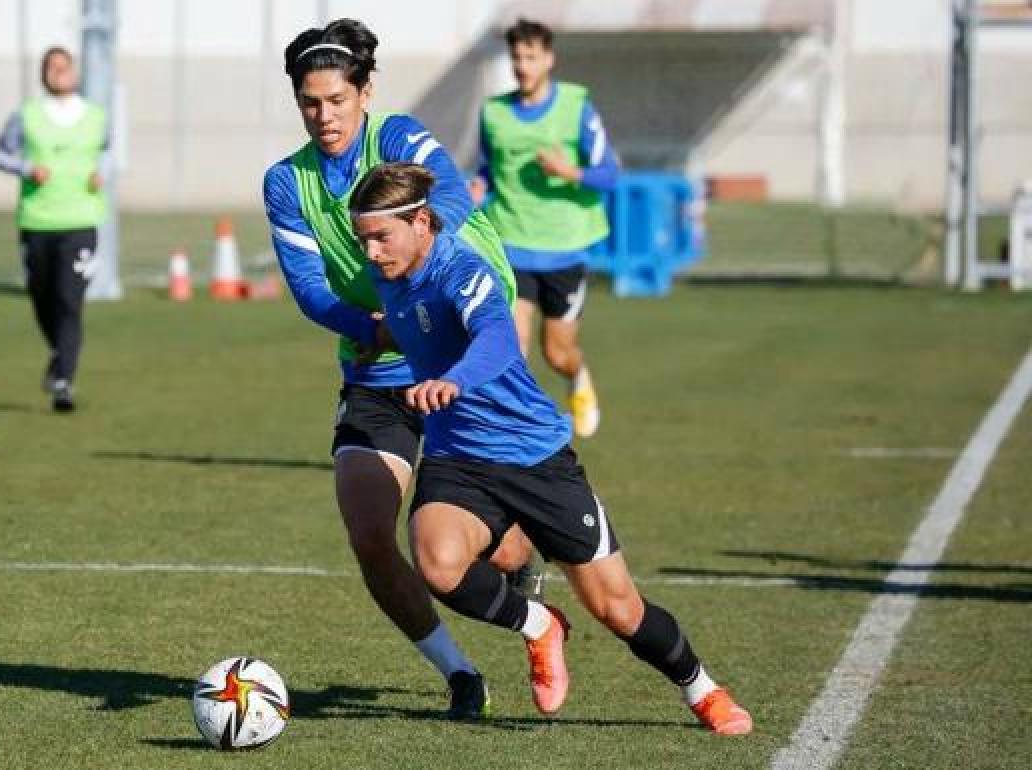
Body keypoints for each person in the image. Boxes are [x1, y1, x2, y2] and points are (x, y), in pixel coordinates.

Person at [350, 162, 752, 734]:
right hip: (457, 456)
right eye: (361, 237)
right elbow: (413, 322)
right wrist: (377, 337)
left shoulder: (462, 269)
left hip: (533, 455)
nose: (369, 251)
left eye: (379, 236)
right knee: (437, 562)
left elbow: (494, 335)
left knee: (618, 609)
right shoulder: (391, 275)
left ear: (421, 221)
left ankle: (702, 689)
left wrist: (456, 380)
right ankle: (539, 624)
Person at [261, 18, 537, 720]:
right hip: (377, 372)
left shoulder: (399, 138)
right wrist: (372, 326)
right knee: (366, 527)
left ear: (364, 91)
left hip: (454, 360)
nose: (324, 116)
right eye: (309, 103)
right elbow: (310, 289)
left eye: (336, 100)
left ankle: (524, 558)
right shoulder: (286, 182)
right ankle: (459, 674)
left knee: (493, 555)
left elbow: (448, 196)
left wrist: (418, 295)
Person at [469, 18, 619, 438]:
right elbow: (488, 168)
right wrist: (480, 186)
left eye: (531, 56)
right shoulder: (494, 113)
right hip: (510, 241)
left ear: (548, 59)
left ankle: (578, 376)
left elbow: (610, 174)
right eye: (517, 56)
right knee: (511, 344)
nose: (522, 65)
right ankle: (522, 425)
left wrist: (569, 171)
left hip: (564, 247)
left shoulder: (576, 107)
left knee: (556, 352)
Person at [0, 46, 108, 413]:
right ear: (43, 75)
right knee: (42, 299)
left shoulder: (96, 116)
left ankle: (63, 381)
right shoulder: (26, 116)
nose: (58, 73)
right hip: (37, 220)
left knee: (69, 301)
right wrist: (27, 169)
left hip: (81, 221)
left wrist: (100, 170)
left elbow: (109, 152)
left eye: (64, 67)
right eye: (51, 68)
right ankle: (60, 354)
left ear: (74, 72)